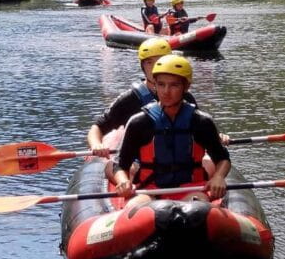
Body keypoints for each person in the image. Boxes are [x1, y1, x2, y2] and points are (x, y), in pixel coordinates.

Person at [113, 55, 231, 207]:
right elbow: (120, 165)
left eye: (174, 85)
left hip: (191, 189)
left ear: (186, 87)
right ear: (155, 85)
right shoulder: (139, 122)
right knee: (135, 209)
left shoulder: (201, 121)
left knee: (197, 210)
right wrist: (122, 180)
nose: (166, 91)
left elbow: (222, 158)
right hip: (150, 191)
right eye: (161, 85)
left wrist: (219, 177)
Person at [86, 38, 198, 169]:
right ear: (143, 66)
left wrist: (217, 136)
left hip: (179, 160)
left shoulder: (185, 97)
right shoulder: (130, 99)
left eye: (160, 60)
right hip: (139, 162)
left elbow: (200, 127)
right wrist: (96, 145)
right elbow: (97, 127)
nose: (155, 67)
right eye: (149, 62)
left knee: (208, 163)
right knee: (130, 168)